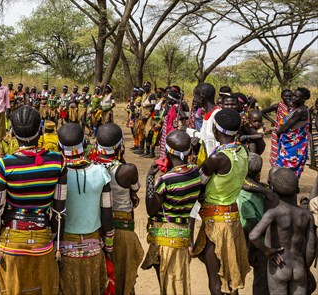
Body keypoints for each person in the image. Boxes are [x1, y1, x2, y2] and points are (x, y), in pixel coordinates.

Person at [0, 106, 66, 294]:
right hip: (43, 238)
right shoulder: (57, 161)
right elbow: (59, 211)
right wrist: (54, 239)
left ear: (13, 134)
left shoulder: (5, 164)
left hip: (12, 238)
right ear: (39, 131)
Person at [192, 108, 250, 295]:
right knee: (230, 276)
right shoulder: (243, 152)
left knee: (216, 281)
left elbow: (198, 182)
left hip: (216, 223)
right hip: (233, 219)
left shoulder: (217, 158)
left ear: (215, 131)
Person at [142, 130, 201, 295]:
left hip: (167, 237)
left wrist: (149, 179)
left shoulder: (166, 180)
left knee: (169, 284)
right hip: (182, 233)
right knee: (176, 281)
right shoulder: (195, 172)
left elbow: (150, 209)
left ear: (167, 152)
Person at [57, 123, 113, 295]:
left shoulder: (58, 174)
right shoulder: (101, 172)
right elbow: (107, 216)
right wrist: (109, 249)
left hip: (65, 252)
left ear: (59, 146)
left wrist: (55, 246)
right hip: (94, 250)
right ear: (84, 143)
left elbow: (57, 215)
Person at [90, 123, 143, 295]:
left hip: (97, 231)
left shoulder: (91, 167)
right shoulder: (127, 170)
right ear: (121, 146)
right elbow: (135, 189)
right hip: (123, 231)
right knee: (124, 280)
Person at [250, 168, 316, 295]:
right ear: (297, 190)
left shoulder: (272, 213)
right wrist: (306, 269)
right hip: (298, 266)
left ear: (273, 190)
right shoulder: (306, 215)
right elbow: (311, 248)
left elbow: (253, 236)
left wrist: (267, 251)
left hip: (279, 267)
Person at [236, 153, 270, 294]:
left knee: (260, 285)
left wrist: (250, 250)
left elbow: (251, 224)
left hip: (258, 244)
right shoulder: (265, 189)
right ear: (259, 173)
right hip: (267, 240)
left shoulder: (243, 194)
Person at [275, 87, 311, 178]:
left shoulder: (300, 111)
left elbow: (284, 128)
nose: (293, 98)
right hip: (292, 145)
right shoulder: (298, 109)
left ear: (304, 98)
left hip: (292, 147)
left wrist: (278, 131)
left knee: (285, 171)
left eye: (296, 96)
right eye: (293, 95)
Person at [186, 83, 221, 158]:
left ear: (201, 98)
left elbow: (218, 143)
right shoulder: (206, 113)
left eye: (195, 96)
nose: (194, 100)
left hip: (215, 161)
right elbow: (203, 136)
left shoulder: (217, 115)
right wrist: (184, 129)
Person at [262, 89, 293, 166]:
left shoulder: (294, 107)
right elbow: (262, 112)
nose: (288, 98)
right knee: (275, 152)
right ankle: (274, 169)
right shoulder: (277, 106)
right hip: (277, 132)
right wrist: (272, 121)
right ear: (282, 97)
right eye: (286, 96)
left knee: (287, 153)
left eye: (290, 96)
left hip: (290, 133)